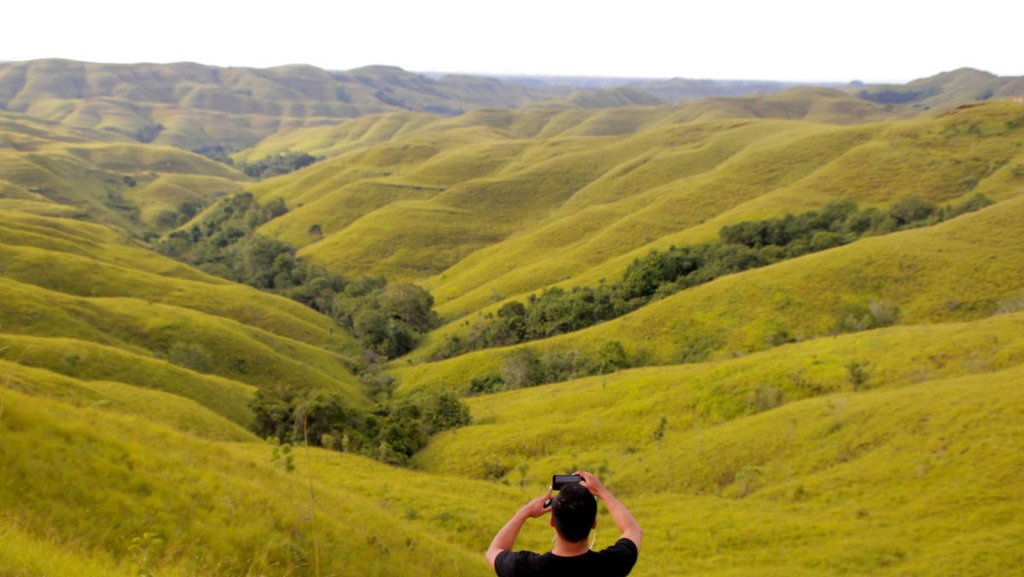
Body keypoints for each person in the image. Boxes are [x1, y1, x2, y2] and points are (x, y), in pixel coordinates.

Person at [485, 471, 642, 577]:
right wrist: (602, 491)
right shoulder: (611, 564)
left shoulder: (524, 567)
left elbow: (493, 551)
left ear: (552, 521)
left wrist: (524, 513)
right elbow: (633, 530)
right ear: (594, 523)